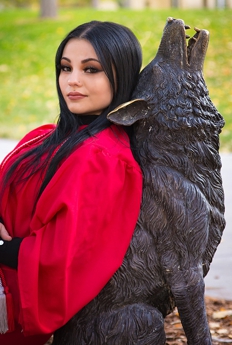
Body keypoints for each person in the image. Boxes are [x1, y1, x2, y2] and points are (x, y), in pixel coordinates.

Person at [0, 21, 143, 344]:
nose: (73, 81)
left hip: (11, 306)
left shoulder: (103, 159)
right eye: (66, 68)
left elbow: (60, 258)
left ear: (122, 75)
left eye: (91, 70)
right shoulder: (43, 138)